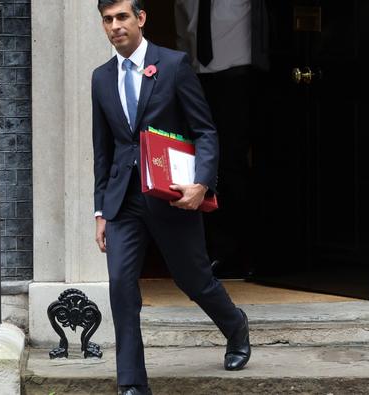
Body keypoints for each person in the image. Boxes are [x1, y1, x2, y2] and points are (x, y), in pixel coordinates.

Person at [92, 1, 251, 394]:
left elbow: (205, 131)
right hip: (123, 202)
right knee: (121, 285)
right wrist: (100, 210)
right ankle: (131, 384)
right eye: (107, 20)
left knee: (193, 279)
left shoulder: (174, 65)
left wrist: (202, 184)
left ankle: (235, 325)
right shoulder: (100, 78)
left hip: (172, 196)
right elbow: (103, 150)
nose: (115, 26)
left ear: (141, 19)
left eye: (122, 17)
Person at [175, 0, 270, 278]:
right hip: (196, 79)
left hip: (239, 78)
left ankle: (243, 252)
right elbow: (184, 32)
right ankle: (211, 251)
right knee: (198, 164)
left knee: (232, 162)